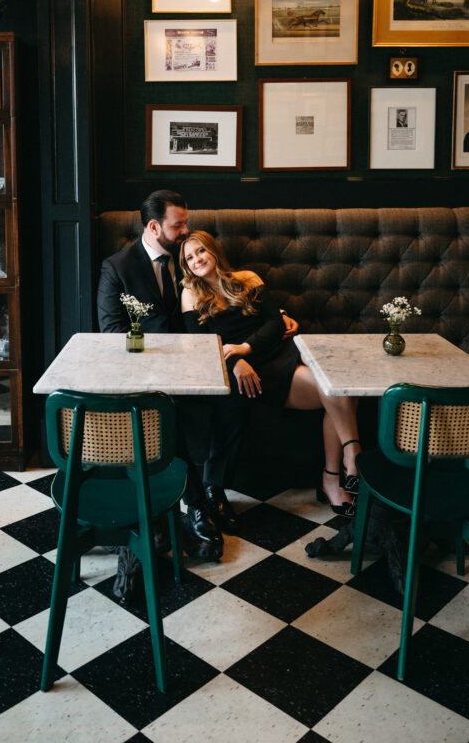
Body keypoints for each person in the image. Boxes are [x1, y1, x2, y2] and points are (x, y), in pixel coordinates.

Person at [97, 190, 298, 557]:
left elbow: (228, 295)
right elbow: (112, 333)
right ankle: (196, 506)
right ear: (154, 226)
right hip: (157, 366)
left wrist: (274, 317)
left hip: (207, 356)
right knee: (175, 409)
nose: (186, 230)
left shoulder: (185, 254)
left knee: (232, 394)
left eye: (186, 224)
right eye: (179, 225)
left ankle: (210, 491)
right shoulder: (119, 267)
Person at [180, 230, 362, 517]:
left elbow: (275, 324)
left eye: (200, 251)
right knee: (336, 392)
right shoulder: (190, 294)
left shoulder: (247, 279)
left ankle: (340, 469)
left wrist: (245, 348)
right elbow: (201, 345)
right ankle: (342, 468)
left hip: (277, 351)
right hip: (256, 370)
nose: (196, 260)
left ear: (213, 250)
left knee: (340, 387)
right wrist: (236, 361)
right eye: (189, 257)